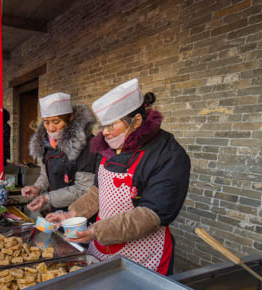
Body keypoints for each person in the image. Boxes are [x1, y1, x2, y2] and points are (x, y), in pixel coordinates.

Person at [47, 79, 190, 275]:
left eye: (111, 125)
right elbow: (99, 191)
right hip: (101, 248)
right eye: (103, 125)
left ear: (137, 122)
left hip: (143, 255)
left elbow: (151, 214)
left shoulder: (168, 154)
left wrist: (96, 231)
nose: (104, 132)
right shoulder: (108, 146)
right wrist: (73, 214)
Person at [21, 92, 97, 213]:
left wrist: (47, 198)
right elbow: (46, 173)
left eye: (56, 122)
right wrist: (38, 187)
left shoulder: (87, 144)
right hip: (55, 209)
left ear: (70, 118)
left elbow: (84, 189)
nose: (51, 128)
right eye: (46, 122)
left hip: (78, 213)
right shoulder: (46, 142)